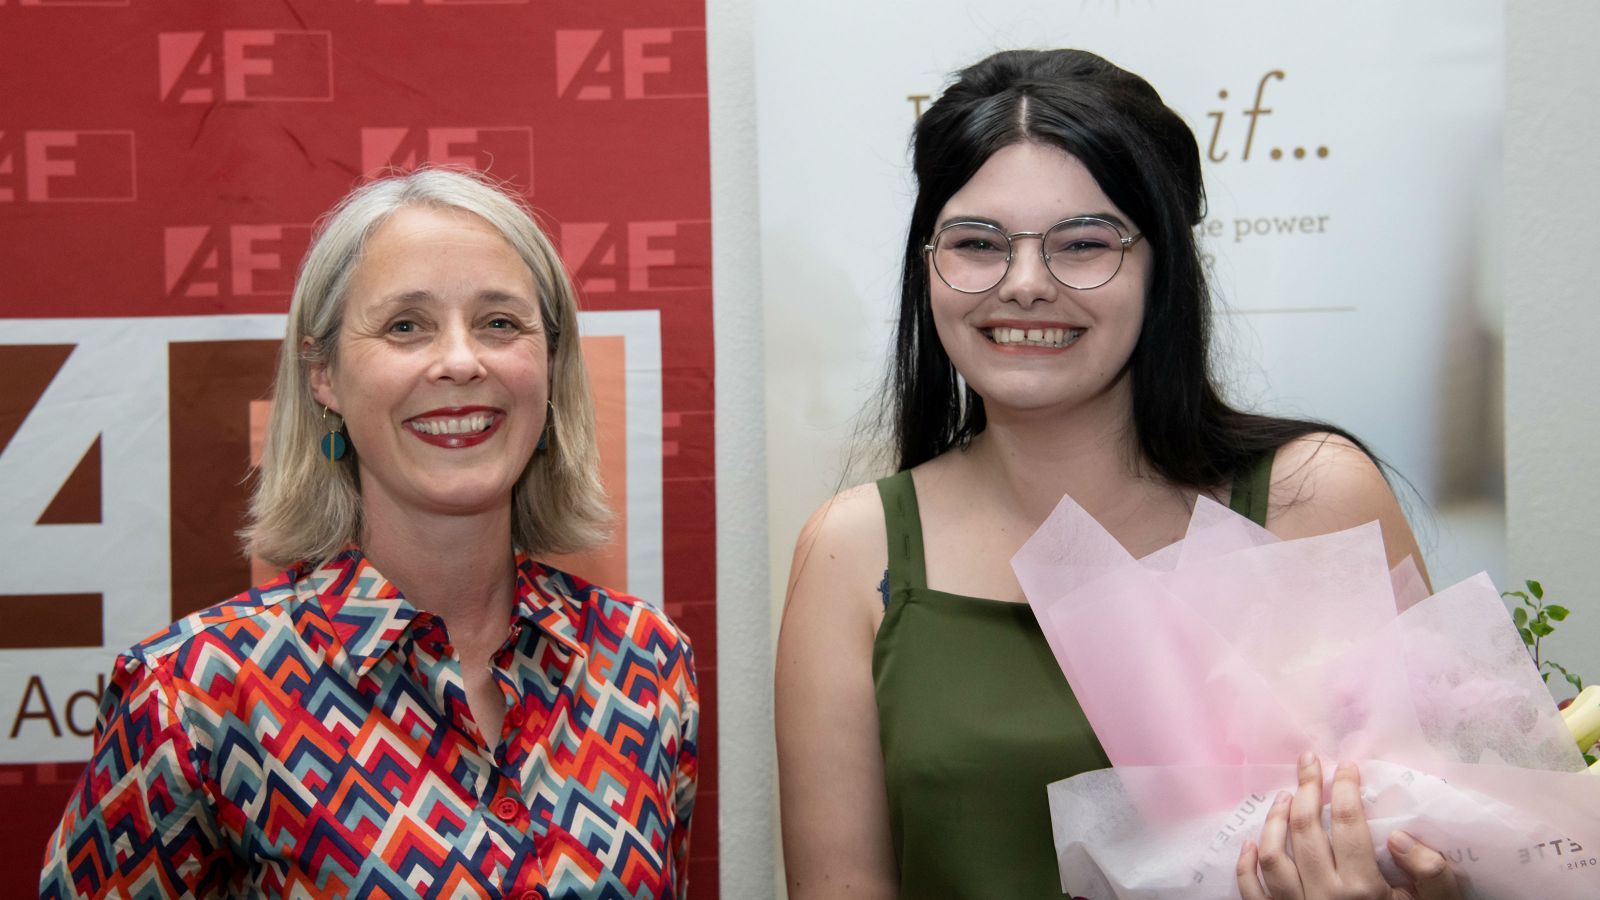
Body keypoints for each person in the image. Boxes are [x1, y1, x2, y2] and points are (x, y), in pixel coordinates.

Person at [775, 50, 1461, 900]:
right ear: (928, 267)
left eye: (1086, 243)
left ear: (1162, 265)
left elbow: (1453, 848)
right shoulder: (853, 552)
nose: (1026, 285)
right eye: (977, 244)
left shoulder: (1313, 499)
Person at [40, 169, 699, 898]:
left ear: (550, 364)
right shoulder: (195, 694)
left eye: (500, 323)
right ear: (323, 374)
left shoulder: (644, 662)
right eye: (405, 326)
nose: (459, 361)